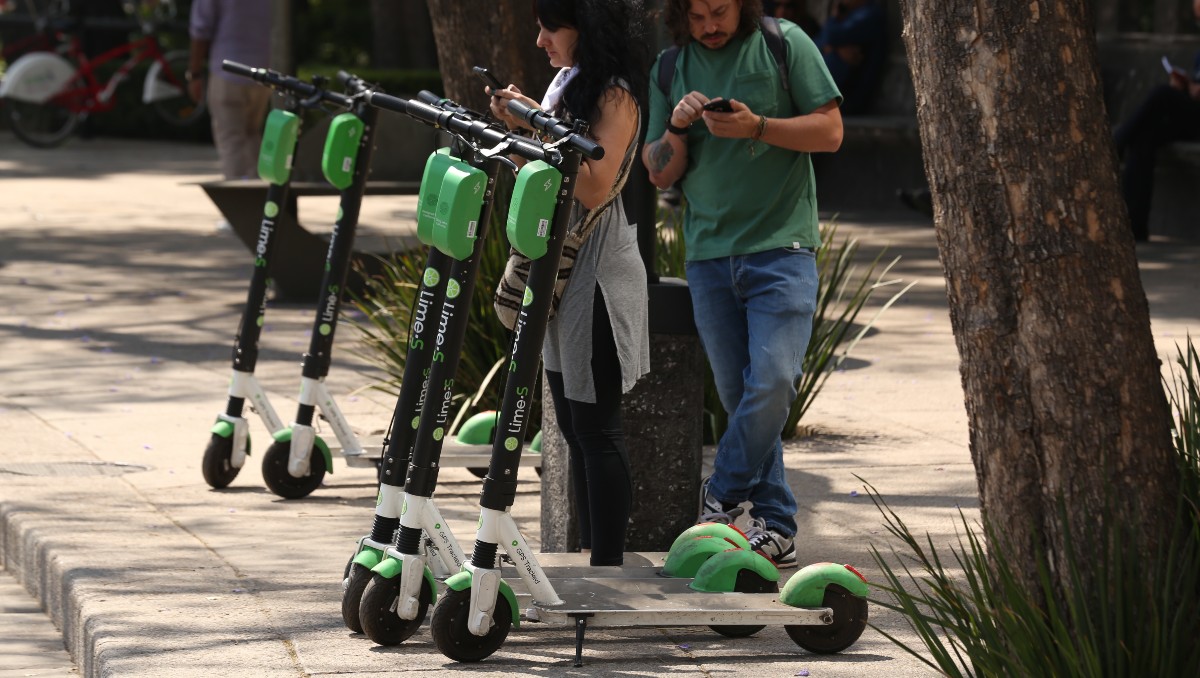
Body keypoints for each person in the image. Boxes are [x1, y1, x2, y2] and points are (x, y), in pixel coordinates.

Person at [641, 0, 842, 568]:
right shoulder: (668, 67)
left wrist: (758, 126)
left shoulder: (785, 43)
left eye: (721, 11)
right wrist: (678, 126)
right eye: (698, 15)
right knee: (741, 400)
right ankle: (776, 524)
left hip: (783, 249)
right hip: (708, 257)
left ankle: (721, 493)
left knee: (773, 383)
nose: (710, 25)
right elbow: (658, 170)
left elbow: (830, 132)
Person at [488, 0, 650, 567]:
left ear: (585, 29)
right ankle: (590, 557)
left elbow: (594, 185)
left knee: (597, 428)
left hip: (598, 273)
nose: (540, 41)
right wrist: (527, 115)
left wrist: (529, 126)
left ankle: (607, 565)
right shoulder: (572, 83)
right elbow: (558, 151)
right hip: (562, 267)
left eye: (549, 28)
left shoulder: (616, 96)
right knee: (574, 428)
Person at [1114, 0, 1200, 243]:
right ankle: (1135, 227)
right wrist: (1185, 86)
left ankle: (1117, 142)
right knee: (1143, 139)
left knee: (1161, 94)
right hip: (1191, 114)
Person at [186, 0, 272, 181]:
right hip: (263, 72)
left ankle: (238, 195)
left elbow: (201, 30)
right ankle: (259, 193)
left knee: (231, 139)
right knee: (252, 133)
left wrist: (194, 74)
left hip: (228, 71)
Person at [813, 0, 886, 115]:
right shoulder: (848, 15)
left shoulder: (869, 15)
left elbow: (831, 36)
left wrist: (834, 17)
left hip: (849, 99)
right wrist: (836, 49)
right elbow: (815, 46)